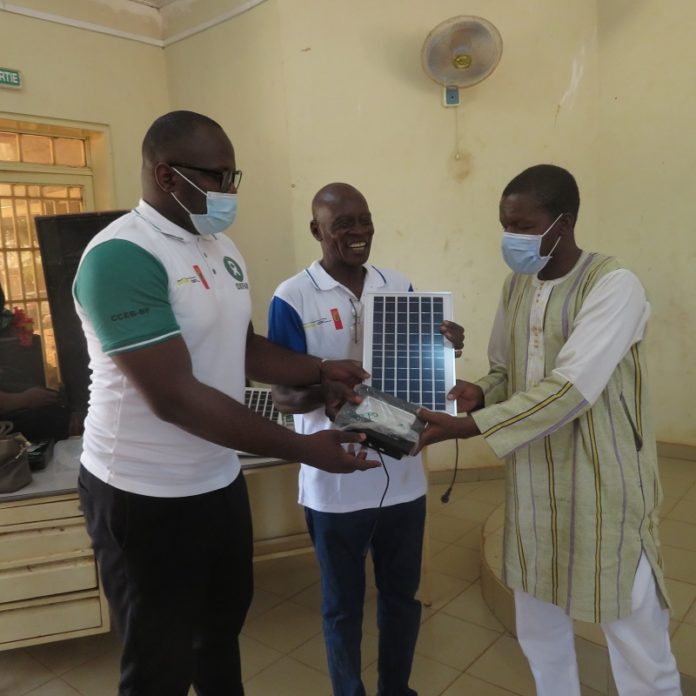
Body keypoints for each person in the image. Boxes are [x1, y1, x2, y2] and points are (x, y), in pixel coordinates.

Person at [72, 112, 379, 696]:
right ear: (166, 175)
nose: (230, 190)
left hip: (216, 480)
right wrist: (304, 449)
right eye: (218, 176)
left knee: (218, 635)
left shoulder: (218, 246)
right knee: (158, 665)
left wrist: (319, 369)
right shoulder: (121, 256)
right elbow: (175, 398)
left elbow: (242, 345)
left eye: (233, 175)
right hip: (142, 492)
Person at [415, 164, 681, 696]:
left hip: (601, 481)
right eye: (504, 225)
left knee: (632, 629)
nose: (511, 238)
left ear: (564, 223)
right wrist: (481, 391)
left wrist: (471, 425)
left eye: (523, 226)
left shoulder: (614, 285)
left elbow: (570, 389)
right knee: (538, 626)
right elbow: (505, 368)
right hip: (533, 481)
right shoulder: (517, 284)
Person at [267, 182, 463, 696]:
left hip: (402, 476)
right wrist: (324, 391)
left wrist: (444, 351)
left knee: (402, 599)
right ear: (316, 231)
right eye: (343, 225)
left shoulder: (397, 284)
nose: (359, 232)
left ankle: (397, 689)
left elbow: (414, 370)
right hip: (333, 484)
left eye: (365, 220)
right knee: (342, 607)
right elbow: (283, 396)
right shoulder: (292, 296)